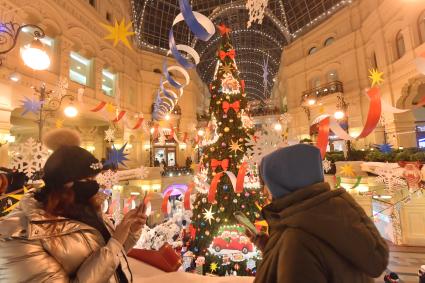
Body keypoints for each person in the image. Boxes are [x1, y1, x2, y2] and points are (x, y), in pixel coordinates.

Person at [0, 129, 147, 282]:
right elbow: (110, 251)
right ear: (67, 183)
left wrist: (129, 233)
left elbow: (110, 259)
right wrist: (115, 242)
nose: (95, 184)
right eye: (88, 179)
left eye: (95, 178)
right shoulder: (21, 234)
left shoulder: (86, 210)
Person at [252, 144, 389, 283]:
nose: (265, 192)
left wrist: (284, 248)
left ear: (283, 183)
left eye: (268, 183)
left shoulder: (296, 240)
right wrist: (273, 249)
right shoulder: (331, 214)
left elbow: (303, 258)